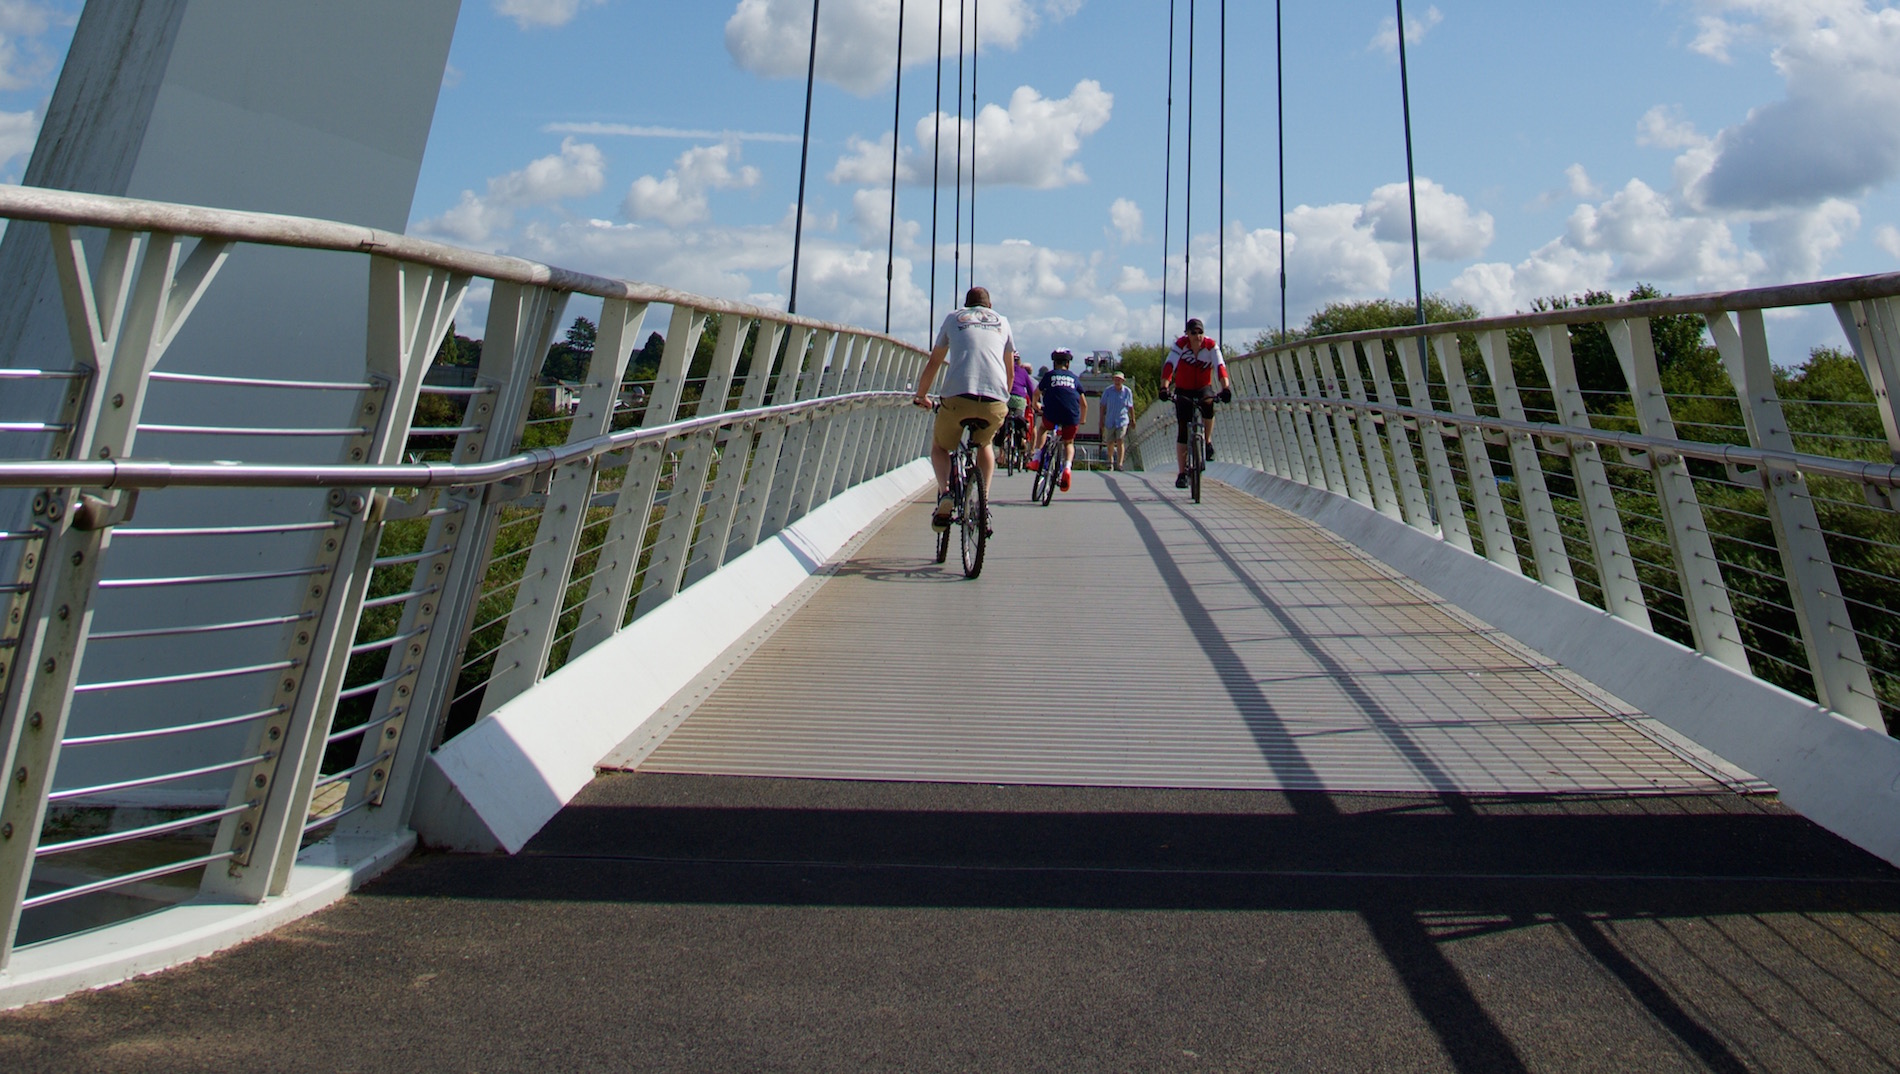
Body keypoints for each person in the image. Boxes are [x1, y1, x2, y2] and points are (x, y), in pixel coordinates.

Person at [913, 286, 1016, 531]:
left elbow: (934, 363)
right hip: (994, 401)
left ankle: (946, 492)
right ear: (989, 307)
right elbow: (1010, 372)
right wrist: (1003, 400)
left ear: (966, 306)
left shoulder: (953, 318)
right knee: (985, 444)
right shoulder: (1003, 322)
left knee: (939, 446)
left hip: (958, 398)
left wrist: (921, 396)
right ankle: (983, 503)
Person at [1158, 317, 1232, 489]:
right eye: (1193, 333)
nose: (1197, 336)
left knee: (1208, 404)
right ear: (1187, 334)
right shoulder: (1180, 345)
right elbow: (1169, 365)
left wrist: (1226, 388)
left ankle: (1207, 441)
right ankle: (1182, 473)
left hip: (1202, 387)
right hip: (1183, 389)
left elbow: (1220, 367)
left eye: (1200, 332)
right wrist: (1164, 387)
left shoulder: (1210, 346)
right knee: (1183, 429)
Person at [1030, 348, 1088, 492]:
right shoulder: (1074, 378)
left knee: (1043, 428)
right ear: (1067, 364)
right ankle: (1067, 468)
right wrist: (1082, 420)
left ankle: (1037, 458)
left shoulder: (1050, 375)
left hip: (1052, 413)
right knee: (1069, 442)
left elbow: (1036, 393)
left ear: (1054, 363)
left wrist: (1035, 405)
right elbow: (1084, 404)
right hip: (1071, 415)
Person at [1098, 369, 1135, 471]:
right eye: (1115, 379)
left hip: (1122, 419)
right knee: (1110, 442)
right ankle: (1110, 462)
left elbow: (1130, 406)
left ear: (1122, 381)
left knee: (1120, 440)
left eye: (1119, 379)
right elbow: (1102, 405)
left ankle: (1120, 463)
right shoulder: (1108, 391)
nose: (1117, 381)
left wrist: (1133, 419)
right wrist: (1101, 419)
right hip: (1110, 420)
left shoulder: (1127, 392)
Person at [1003, 354, 1034, 467]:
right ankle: (1021, 439)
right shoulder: (1023, 372)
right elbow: (1030, 389)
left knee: (1003, 418)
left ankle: (1001, 436)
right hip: (1020, 399)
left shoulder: (1003, 368)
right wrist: (1033, 402)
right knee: (1018, 420)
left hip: (1006, 397)